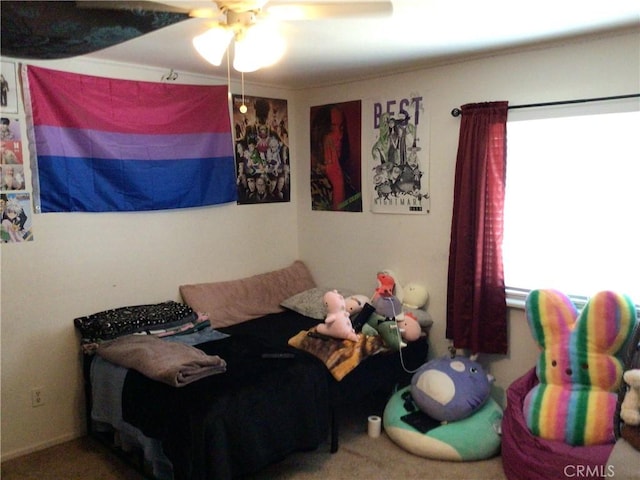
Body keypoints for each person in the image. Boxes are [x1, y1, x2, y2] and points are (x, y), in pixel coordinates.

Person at [311, 104, 350, 210]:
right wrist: (338, 184)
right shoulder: (312, 182)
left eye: (341, 129)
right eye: (331, 130)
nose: (340, 136)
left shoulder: (344, 173)